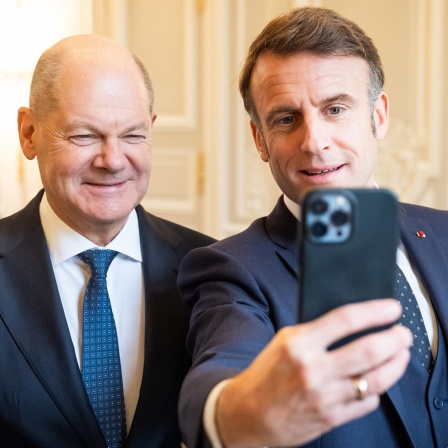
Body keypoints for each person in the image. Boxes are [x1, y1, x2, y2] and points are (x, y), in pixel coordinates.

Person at [178, 6, 448, 448]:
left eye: (336, 109)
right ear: (259, 140)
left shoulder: (444, 233)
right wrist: (236, 416)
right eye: (286, 118)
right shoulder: (230, 269)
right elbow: (218, 373)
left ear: (378, 116)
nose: (314, 142)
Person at [0, 34, 214, 447]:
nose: (113, 160)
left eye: (133, 136)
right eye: (84, 136)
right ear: (29, 133)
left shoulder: (208, 266)